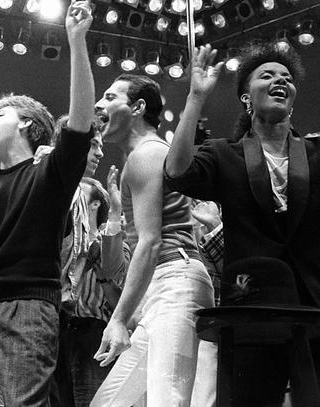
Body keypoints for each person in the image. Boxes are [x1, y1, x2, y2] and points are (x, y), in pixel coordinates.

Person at [0, 0, 96, 406]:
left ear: (26, 123)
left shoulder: (50, 173)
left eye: (0, 115)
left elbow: (81, 122)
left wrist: (76, 41)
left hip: (28, 305)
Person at [164, 42, 320, 405]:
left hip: (313, 304)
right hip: (250, 306)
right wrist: (195, 99)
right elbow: (176, 172)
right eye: (267, 75)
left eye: (286, 78)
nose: (280, 80)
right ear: (247, 97)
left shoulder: (315, 155)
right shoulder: (224, 153)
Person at [90, 74, 214, 407]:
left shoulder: (146, 155)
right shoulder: (142, 157)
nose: (99, 104)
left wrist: (117, 318)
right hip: (165, 285)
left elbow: (150, 242)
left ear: (138, 107)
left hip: (175, 283)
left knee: (167, 401)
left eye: (109, 96)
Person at [47, 116, 130, 407]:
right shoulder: (47, 179)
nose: (101, 153)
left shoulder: (103, 239)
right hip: (52, 318)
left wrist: (115, 213)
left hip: (88, 329)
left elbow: (113, 271)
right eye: (94, 145)